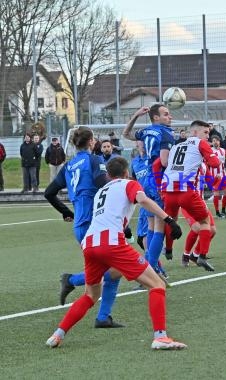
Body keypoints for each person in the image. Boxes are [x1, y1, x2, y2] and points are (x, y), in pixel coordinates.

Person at [46, 156, 186, 350]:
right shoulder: (129, 184)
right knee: (157, 285)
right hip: (111, 243)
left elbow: (109, 215)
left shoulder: (101, 191)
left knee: (91, 295)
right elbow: (143, 200)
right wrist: (169, 220)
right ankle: (160, 337)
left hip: (89, 244)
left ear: (108, 175)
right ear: (126, 172)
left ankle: (57, 334)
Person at [44, 126, 123, 327]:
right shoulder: (94, 160)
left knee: (111, 270)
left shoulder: (68, 166)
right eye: (94, 138)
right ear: (91, 142)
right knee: (115, 269)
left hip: (80, 225)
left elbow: (49, 193)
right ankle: (72, 281)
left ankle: (103, 317)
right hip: (96, 224)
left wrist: (67, 212)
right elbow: (102, 183)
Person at [160, 120, 220, 271]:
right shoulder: (200, 144)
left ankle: (168, 249)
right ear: (194, 132)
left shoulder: (176, 146)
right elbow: (215, 163)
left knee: (171, 221)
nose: (208, 136)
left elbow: (164, 163)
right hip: (186, 191)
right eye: (205, 132)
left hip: (168, 190)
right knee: (204, 223)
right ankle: (201, 256)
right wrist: (215, 157)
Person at [122, 104, 175, 273]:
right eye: (166, 114)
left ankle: (151, 268)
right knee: (159, 225)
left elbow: (126, 134)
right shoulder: (166, 133)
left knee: (151, 226)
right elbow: (165, 162)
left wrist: (136, 115)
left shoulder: (145, 131)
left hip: (147, 181)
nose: (170, 117)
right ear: (156, 118)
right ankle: (150, 270)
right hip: (158, 179)